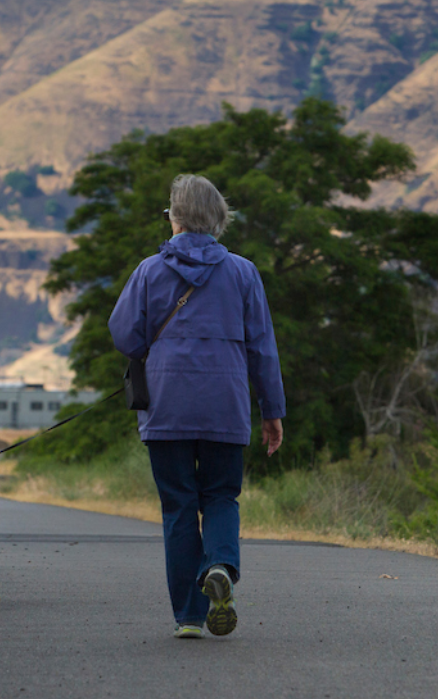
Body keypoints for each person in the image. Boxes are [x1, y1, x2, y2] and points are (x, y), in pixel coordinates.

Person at [108, 174, 285, 639]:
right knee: (222, 496)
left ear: (175, 218)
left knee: (179, 507)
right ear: (217, 219)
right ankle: (221, 565)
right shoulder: (244, 272)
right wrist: (272, 411)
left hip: (167, 406)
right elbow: (263, 348)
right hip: (226, 406)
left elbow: (124, 334)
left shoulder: (149, 271)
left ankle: (188, 617)